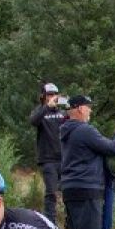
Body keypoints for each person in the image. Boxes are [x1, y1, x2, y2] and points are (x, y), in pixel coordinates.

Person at [59, 95, 115, 229]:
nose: (90, 110)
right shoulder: (84, 130)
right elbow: (113, 149)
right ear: (81, 109)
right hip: (87, 191)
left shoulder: (65, 130)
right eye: (89, 107)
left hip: (70, 190)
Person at [30, 82, 66, 220]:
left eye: (54, 94)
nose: (52, 97)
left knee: (68, 190)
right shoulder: (40, 112)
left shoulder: (63, 113)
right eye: (49, 95)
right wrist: (46, 107)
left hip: (64, 158)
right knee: (51, 192)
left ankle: (71, 222)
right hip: (48, 159)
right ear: (43, 96)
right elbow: (33, 121)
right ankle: (50, 223)